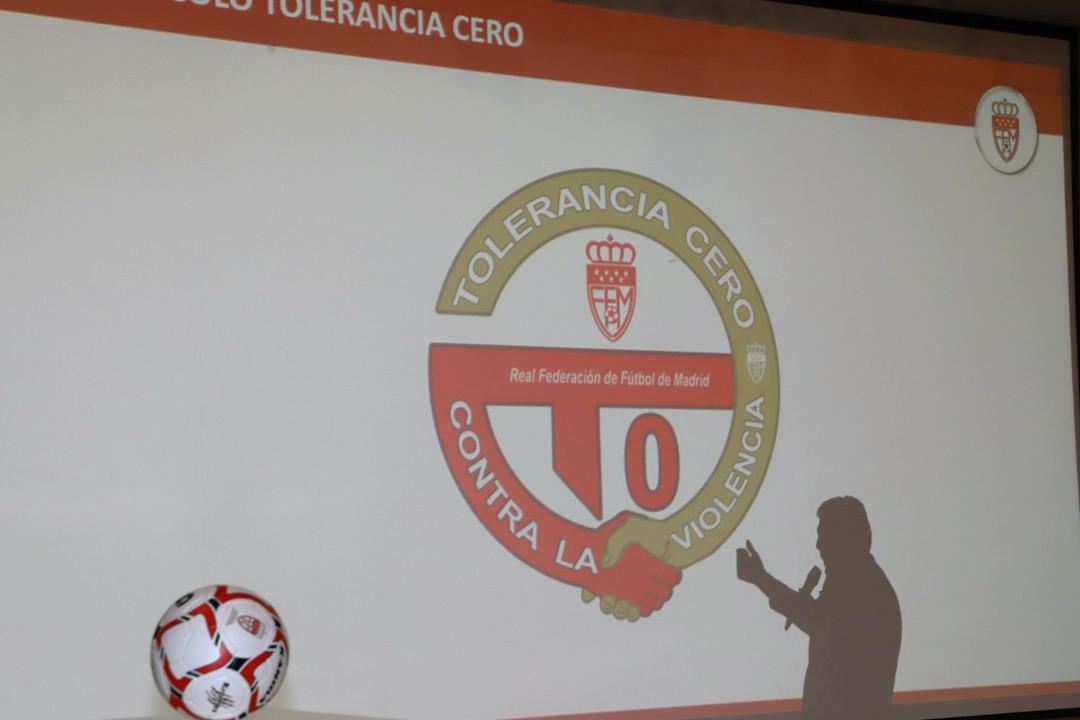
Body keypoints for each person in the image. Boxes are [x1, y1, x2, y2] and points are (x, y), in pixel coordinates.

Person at [736, 496, 901, 720]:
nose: (818, 545)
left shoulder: (864, 587)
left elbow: (818, 620)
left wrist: (761, 579)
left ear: (846, 539)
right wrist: (761, 579)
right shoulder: (860, 581)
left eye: (825, 536)